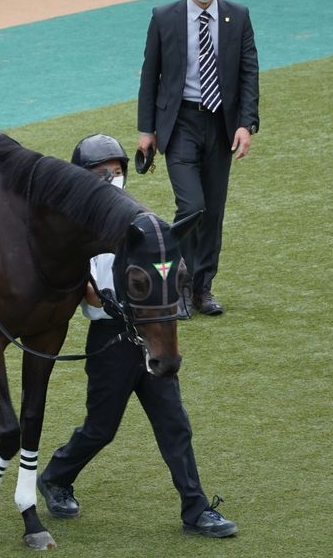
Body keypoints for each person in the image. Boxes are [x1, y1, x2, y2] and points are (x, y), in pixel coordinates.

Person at [37, 133, 237, 538]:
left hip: (151, 335)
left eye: (116, 171)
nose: (112, 179)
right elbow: (86, 294)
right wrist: (106, 301)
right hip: (110, 341)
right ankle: (56, 476)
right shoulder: (76, 233)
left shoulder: (141, 224)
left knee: (174, 423)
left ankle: (196, 510)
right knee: (101, 428)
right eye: (101, 173)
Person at [136, 0, 260, 318]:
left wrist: (246, 124)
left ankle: (202, 289)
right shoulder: (164, 17)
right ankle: (180, 280)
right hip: (180, 124)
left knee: (213, 211)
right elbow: (149, 75)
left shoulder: (237, 16)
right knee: (192, 205)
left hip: (220, 125)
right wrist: (146, 129)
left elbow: (248, 72)